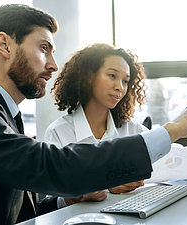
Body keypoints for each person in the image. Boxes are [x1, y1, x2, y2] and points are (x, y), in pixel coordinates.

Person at [0, 4, 187, 225]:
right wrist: (173, 130)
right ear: (4, 45)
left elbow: (22, 209)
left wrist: (69, 198)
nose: (53, 65)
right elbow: (50, 164)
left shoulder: (4, 114)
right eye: (44, 48)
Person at [43, 43, 148, 208]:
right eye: (112, 75)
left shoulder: (133, 129)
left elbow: (161, 168)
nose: (119, 87)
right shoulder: (59, 132)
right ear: (88, 76)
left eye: (125, 81)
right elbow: (50, 201)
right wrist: (82, 194)